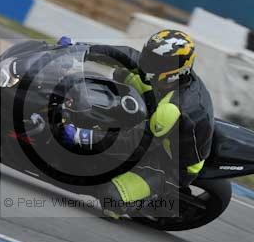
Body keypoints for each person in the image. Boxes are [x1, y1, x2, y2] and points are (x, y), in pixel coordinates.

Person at [61, 30, 215, 216]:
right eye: (149, 55)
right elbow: (126, 55)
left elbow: (133, 142)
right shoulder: (171, 76)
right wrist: (81, 48)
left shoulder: (173, 108)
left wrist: (83, 136)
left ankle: (153, 197)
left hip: (171, 163)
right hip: (161, 120)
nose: (147, 62)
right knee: (122, 72)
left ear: (177, 69)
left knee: (111, 199)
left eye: (156, 61)